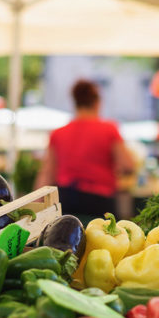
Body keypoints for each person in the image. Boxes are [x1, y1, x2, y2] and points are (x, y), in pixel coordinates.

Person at [35, 79, 135, 219]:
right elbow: (128, 165)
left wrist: (37, 206)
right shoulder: (109, 129)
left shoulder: (58, 133)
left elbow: (47, 173)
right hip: (100, 201)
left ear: (75, 102)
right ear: (97, 103)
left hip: (66, 200)